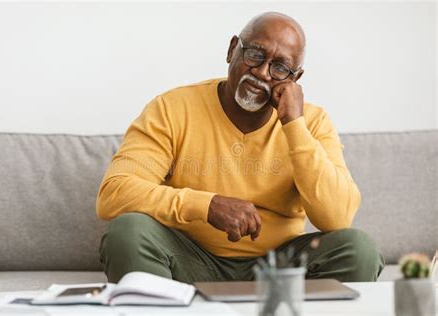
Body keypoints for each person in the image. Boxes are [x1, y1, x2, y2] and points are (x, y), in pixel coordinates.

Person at [96, 12, 384, 284]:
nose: (261, 72)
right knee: (128, 232)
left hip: (280, 271)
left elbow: (337, 218)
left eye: (280, 67)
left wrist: (293, 124)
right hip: (189, 261)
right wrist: (206, 205)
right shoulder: (171, 108)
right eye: (255, 54)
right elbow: (114, 193)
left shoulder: (312, 122)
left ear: (294, 79)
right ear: (232, 49)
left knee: (359, 250)